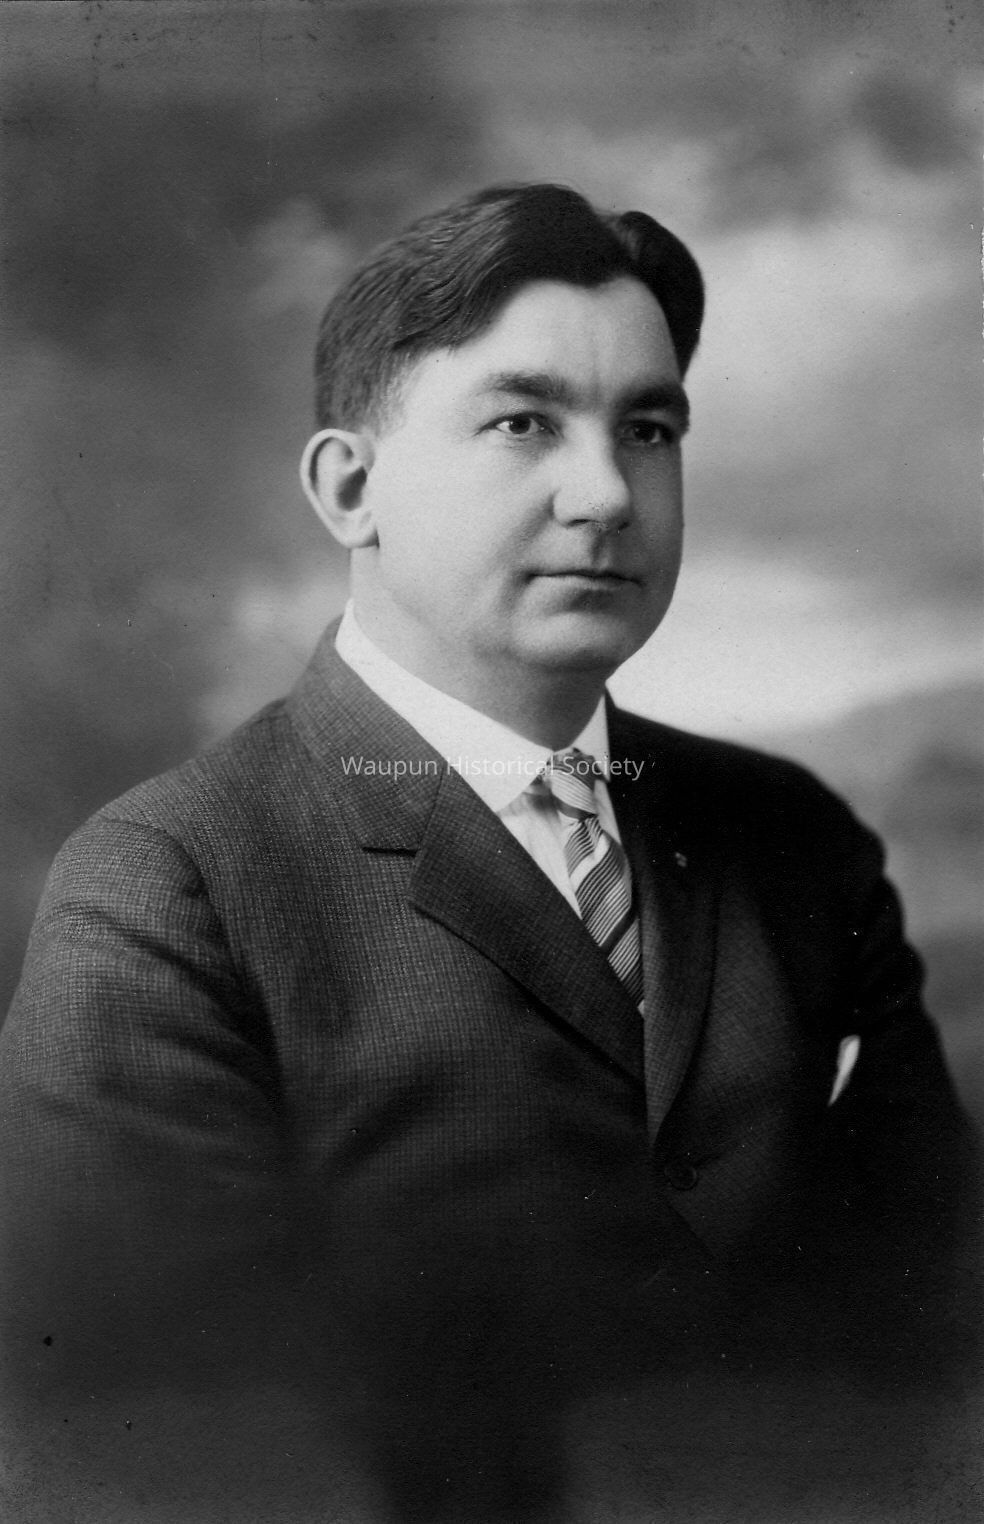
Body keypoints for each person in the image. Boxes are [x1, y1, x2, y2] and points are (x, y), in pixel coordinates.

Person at [0, 183, 978, 1524]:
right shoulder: (169, 885)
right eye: (524, 423)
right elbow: (146, 1439)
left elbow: (942, 1330)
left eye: (649, 430)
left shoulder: (795, 840)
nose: (608, 494)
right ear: (352, 489)